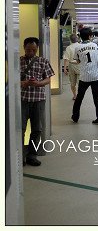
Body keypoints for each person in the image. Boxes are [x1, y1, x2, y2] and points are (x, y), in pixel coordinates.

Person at [20, 37, 55, 166]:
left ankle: (32, 155)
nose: (31, 52)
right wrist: (24, 83)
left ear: (37, 49)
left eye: (34, 50)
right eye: (28, 50)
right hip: (22, 100)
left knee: (37, 129)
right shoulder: (18, 62)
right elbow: (10, 81)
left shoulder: (43, 61)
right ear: (24, 47)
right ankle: (21, 156)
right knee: (21, 129)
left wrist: (38, 83)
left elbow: (48, 79)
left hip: (38, 100)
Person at [72, 27, 98, 124]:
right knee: (97, 98)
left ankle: (75, 116)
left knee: (79, 97)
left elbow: (77, 61)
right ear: (90, 36)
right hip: (95, 76)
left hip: (84, 76)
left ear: (80, 36)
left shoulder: (77, 47)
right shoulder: (96, 46)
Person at [63, 33, 80, 100]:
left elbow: (66, 59)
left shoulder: (69, 47)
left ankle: (75, 95)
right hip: (79, 65)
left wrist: (65, 68)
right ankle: (79, 95)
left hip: (71, 66)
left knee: (72, 83)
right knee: (80, 83)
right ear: (77, 39)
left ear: (70, 40)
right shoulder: (81, 46)